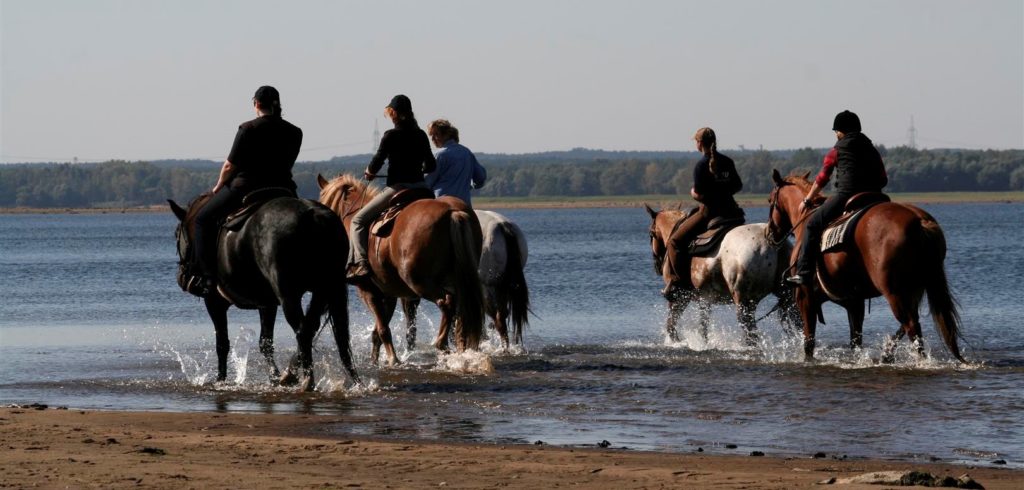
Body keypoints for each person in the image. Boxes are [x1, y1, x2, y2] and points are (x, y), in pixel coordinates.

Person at [191, 85, 302, 295]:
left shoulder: (247, 129)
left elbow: (229, 166)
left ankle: (206, 278)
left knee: (202, 220)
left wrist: (218, 185)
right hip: (283, 189)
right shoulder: (295, 132)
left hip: (246, 188)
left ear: (256, 104)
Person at [786, 110, 888, 286]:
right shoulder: (872, 148)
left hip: (847, 195)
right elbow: (883, 178)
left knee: (812, 224)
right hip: (875, 197)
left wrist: (808, 200)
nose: (836, 134)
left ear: (842, 131)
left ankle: (803, 273)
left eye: (836, 131)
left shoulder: (837, 150)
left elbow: (822, 178)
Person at [347, 94, 437, 281]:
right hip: (422, 189)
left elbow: (377, 161)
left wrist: (370, 172)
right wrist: (419, 168)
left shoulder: (390, 136)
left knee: (357, 220)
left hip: (398, 188)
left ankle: (361, 263)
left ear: (393, 113)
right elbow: (431, 166)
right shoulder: (420, 135)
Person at [663, 127, 743, 297]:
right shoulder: (727, 161)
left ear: (699, 143)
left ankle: (680, 284)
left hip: (709, 213)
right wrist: (724, 191)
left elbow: (699, 195)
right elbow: (738, 186)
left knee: (674, 242)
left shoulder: (701, 165)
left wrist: (693, 194)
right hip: (732, 213)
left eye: (696, 141)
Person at [424, 119, 487, 206]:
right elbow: (481, 178)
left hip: (442, 203)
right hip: (465, 204)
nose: (432, 139)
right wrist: (469, 186)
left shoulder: (439, 155)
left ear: (446, 135)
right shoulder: (467, 153)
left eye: (436, 135)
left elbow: (427, 182)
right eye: (431, 135)